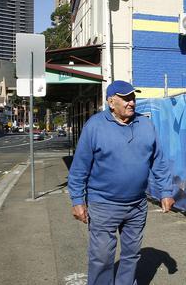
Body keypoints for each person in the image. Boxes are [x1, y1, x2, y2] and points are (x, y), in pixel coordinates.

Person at [68, 80, 175, 285]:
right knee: (101, 258)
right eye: (126, 98)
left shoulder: (146, 124)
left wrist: (166, 192)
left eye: (133, 98)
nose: (131, 102)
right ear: (111, 102)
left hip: (136, 205)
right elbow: (80, 167)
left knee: (131, 256)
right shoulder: (94, 126)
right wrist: (77, 200)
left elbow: (159, 161)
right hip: (103, 204)